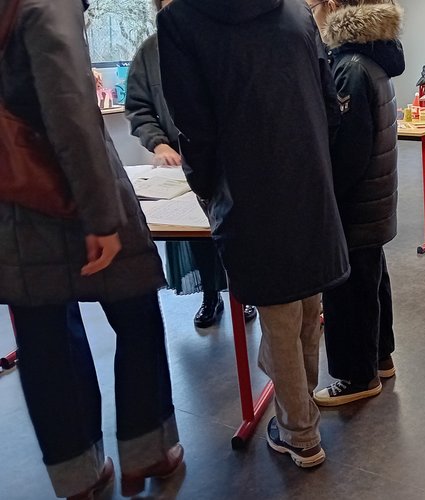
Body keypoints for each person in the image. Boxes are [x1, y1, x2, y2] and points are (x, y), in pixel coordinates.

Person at [0, 0, 183, 497]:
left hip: (12, 201)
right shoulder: (47, 5)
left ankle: (77, 476)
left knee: (44, 336)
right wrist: (102, 215)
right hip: (72, 194)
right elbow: (70, 109)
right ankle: (148, 451)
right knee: (137, 313)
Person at [158, 0, 350, 468]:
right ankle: (300, 413)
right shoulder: (296, 13)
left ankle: (300, 430)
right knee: (306, 305)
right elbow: (329, 103)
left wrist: (207, 190)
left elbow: (194, 125)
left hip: (246, 188)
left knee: (279, 310)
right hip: (308, 178)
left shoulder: (180, 21)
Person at [125, 0, 257, 328]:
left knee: (238, 235)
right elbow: (138, 109)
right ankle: (210, 295)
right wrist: (159, 144)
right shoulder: (149, 52)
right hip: (180, 168)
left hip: (228, 164)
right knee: (198, 239)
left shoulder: (222, 39)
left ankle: (245, 294)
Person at [307, 0, 402, 406]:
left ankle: (356, 377)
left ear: (331, 6)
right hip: (373, 199)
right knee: (371, 280)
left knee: (347, 293)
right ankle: (379, 358)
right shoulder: (372, 57)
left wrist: (324, 197)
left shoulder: (350, 66)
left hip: (355, 202)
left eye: (311, 4)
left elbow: (348, 151)